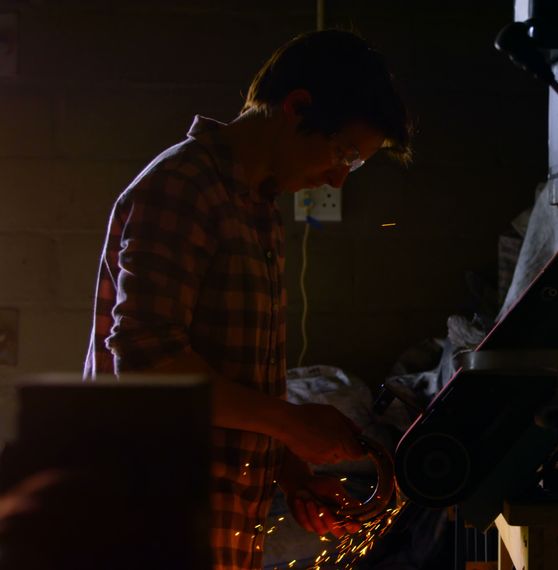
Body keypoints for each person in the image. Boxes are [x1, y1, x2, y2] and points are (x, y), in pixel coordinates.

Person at [83, 29, 412, 569]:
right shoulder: (184, 187)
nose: (337, 178)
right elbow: (148, 365)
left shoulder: (256, 210)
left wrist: (290, 470)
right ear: (297, 107)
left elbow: (228, 383)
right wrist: (292, 423)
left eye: (352, 166)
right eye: (343, 153)